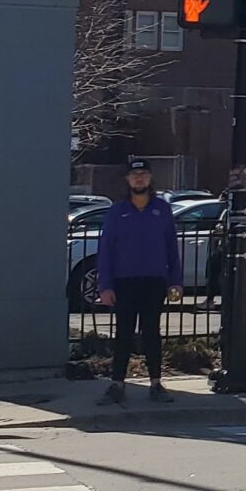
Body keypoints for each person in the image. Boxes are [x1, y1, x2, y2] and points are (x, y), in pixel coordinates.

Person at [94, 159, 183, 404]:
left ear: (150, 178)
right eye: (135, 174)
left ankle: (156, 383)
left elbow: (172, 248)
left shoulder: (162, 210)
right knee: (123, 333)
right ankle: (117, 384)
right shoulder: (117, 211)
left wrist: (176, 281)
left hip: (154, 280)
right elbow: (106, 251)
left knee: (151, 332)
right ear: (128, 180)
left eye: (143, 174)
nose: (139, 178)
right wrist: (105, 286)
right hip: (124, 281)